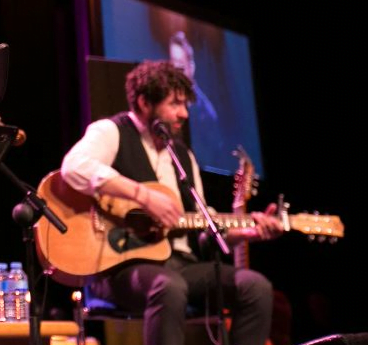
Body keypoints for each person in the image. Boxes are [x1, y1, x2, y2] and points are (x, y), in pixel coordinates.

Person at [60, 60, 283, 345]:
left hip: (180, 265)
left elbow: (203, 228)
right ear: (143, 102)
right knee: (170, 287)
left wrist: (246, 232)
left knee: (256, 287)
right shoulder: (111, 131)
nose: (184, 114)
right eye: (175, 104)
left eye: (186, 105)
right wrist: (142, 196)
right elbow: (74, 167)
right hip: (119, 267)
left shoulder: (182, 156)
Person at [168, 31, 225, 158]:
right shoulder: (167, 101)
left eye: (181, 67)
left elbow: (214, 156)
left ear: (191, 67)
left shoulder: (206, 113)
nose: (175, 72)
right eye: (173, 64)